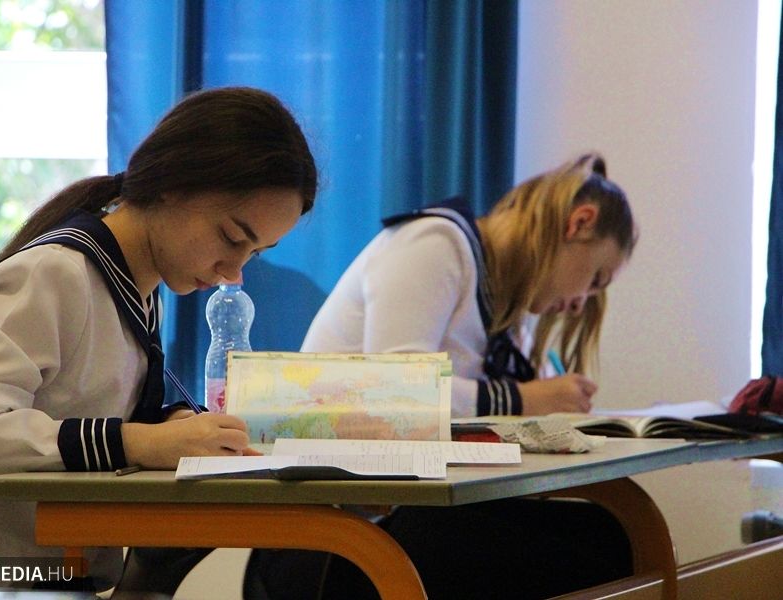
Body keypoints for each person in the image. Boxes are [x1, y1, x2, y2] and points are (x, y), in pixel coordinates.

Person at [0, 86, 317, 593]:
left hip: (66, 577)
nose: (234, 272)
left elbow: (81, 405)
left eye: (254, 253)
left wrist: (170, 426)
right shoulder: (53, 275)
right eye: (232, 237)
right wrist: (141, 441)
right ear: (172, 185)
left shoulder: (138, 290)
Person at [245, 153, 638, 600]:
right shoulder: (435, 243)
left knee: (605, 534)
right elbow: (395, 399)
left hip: (396, 521)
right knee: (583, 552)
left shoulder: (507, 306)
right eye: (595, 278)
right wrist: (523, 399)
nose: (581, 303)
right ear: (579, 223)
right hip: (328, 540)